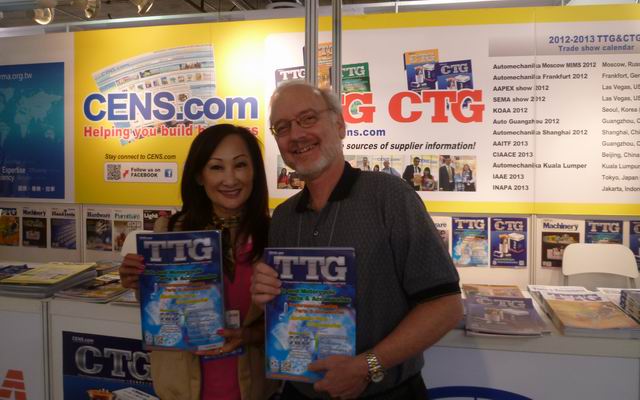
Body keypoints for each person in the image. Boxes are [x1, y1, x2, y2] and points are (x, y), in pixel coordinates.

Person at [251, 82, 462, 399]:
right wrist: (266, 296)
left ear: (339, 125)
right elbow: (289, 314)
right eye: (282, 127)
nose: (295, 134)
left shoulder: (390, 197)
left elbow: (446, 305)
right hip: (299, 392)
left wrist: (367, 366)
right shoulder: (283, 217)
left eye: (308, 118)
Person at [119, 124, 278, 400]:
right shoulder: (169, 231)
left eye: (240, 165)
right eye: (216, 167)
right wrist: (138, 283)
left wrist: (249, 335)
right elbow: (161, 312)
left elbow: (291, 320)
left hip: (252, 389)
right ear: (199, 176)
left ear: (254, 172)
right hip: (183, 390)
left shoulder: (275, 235)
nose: (230, 179)